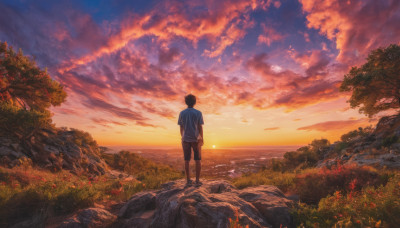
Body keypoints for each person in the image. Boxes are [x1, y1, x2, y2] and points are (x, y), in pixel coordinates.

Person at [178, 94, 204, 187]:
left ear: (186, 102)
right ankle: (197, 181)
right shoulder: (198, 113)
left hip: (185, 139)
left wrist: (183, 137)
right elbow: (200, 126)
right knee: (198, 160)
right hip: (196, 139)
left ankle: (188, 180)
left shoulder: (182, 113)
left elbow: (181, 127)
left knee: (186, 160)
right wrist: (202, 138)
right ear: (195, 102)